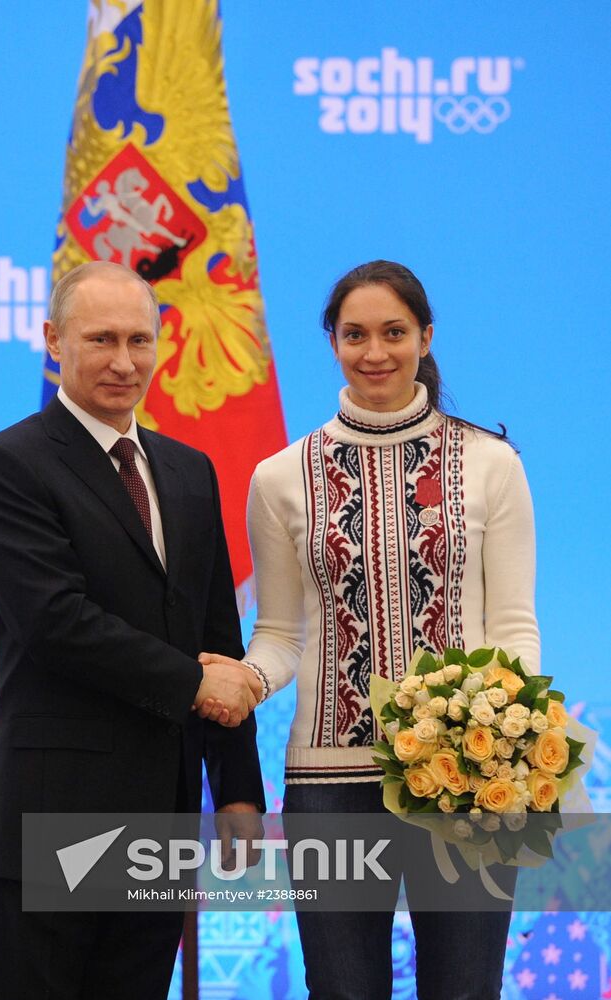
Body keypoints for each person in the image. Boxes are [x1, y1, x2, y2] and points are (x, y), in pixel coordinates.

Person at [201, 260, 539, 999]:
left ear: (425, 335)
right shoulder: (280, 476)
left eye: (393, 332)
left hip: (467, 779)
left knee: (463, 988)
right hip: (329, 784)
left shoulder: (491, 464)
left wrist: (507, 758)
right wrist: (247, 680)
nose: (375, 351)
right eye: (354, 334)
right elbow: (281, 633)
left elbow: (514, 628)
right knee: (341, 989)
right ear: (331, 342)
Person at [0, 260, 264, 999]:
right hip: (49, 814)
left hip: (159, 814)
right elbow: (55, 623)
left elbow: (216, 631)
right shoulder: (9, 465)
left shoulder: (189, 471)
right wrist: (197, 683)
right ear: (52, 342)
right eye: (100, 339)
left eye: (139, 339)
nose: (124, 361)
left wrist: (236, 789)